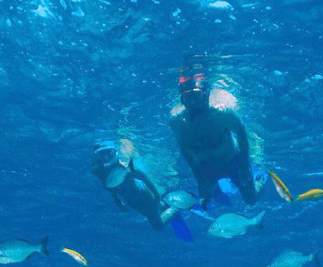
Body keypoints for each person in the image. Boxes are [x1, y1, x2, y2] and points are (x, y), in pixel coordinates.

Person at [169, 72, 260, 206]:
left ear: (206, 94)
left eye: (196, 96)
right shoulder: (177, 122)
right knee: (204, 202)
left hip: (232, 161)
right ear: (182, 100)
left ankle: (260, 179)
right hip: (206, 167)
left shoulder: (221, 113)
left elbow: (241, 131)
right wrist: (198, 177)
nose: (193, 103)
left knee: (251, 200)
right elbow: (184, 149)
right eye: (188, 98)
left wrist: (245, 165)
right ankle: (216, 190)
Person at [90, 143, 176, 231]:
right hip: (132, 201)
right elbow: (112, 188)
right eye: (102, 154)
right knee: (148, 213)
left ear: (115, 152)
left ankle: (174, 208)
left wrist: (157, 195)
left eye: (109, 152)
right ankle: (164, 205)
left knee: (158, 225)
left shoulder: (125, 167)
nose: (106, 157)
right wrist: (118, 201)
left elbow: (145, 179)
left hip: (144, 197)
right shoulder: (104, 173)